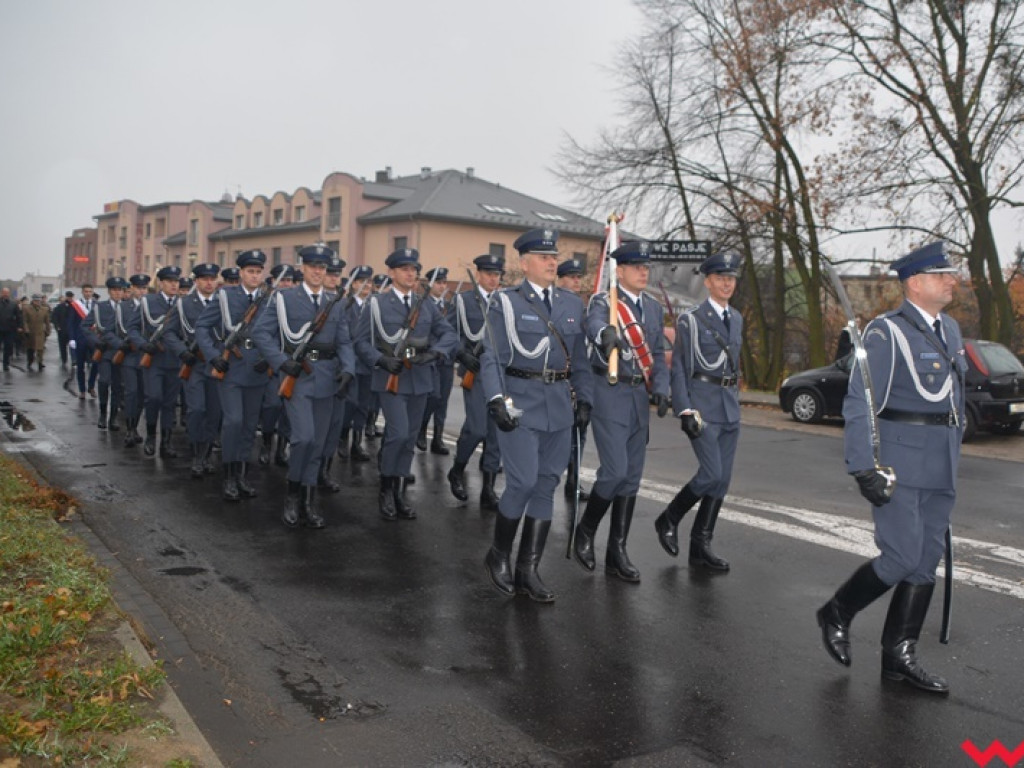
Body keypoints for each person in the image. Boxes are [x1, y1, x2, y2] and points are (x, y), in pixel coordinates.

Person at [816, 242, 964, 695]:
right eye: (942, 275)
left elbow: (952, 399)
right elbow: (861, 398)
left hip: (941, 462)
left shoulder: (951, 330)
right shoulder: (887, 333)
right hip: (899, 462)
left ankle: (899, 654)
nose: (952, 280)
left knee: (925, 560)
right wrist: (864, 467)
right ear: (915, 283)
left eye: (951, 274)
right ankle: (837, 611)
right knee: (900, 556)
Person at [479, 229, 593, 603]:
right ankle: (498, 554)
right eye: (543, 257)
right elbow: (491, 355)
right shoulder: (505, 303)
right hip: (520, 403)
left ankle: (529, 568)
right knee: (523, 482)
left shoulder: (572, 304)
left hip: (559, 405)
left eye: (553, 256)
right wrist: (496, 398)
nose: (551, 262)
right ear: (524, 263)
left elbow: (579, 362)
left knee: (546, 484)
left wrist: (585, 400)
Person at [573, 241, 670, 583]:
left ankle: (618, 551)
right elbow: (594, 323)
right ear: (621, 271)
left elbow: (657, 354)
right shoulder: (606, 302)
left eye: (646, 267)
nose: (644, 271)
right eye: (637, 266)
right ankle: (585, 532)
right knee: (613, 472)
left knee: (631, 478)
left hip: (638, 398)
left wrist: (661, 386)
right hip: (610, 392)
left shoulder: (655, 310)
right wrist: (606, 333)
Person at [252, 245, 356, 528]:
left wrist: (348, 369)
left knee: (319, 444)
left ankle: (308, 502)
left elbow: (344, 341)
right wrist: (282, 362)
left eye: (323, 267)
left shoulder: (335, 301)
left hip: (327, 377)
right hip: (297, 377)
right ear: (303, 269)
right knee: (304, 438)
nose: (318, 271)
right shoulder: (284, 299)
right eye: (313, 266)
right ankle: (292, 493)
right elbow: (260, 332)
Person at [654, 252, 743, 573]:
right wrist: (684, 408)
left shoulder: (737, 319)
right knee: (711, 474)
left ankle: (700, 546)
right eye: (720, 278)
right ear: (707, 281)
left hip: (729, 407)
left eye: (731, 278)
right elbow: (679, 368)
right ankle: (669, 518)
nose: (726, 283)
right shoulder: (691, 320)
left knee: (721, 482)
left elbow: (735, 365)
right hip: (702, 407)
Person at [354, 248, 458, 521]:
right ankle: (386, 489)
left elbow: (448, 333)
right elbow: (361, 341)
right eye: (404, 269)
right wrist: (379, 360)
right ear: (391, 273)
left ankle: (399, 492)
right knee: (398, 434)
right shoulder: (376, 304)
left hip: (419, 378)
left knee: (409, 439)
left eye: (414, 269)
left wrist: (436, 352)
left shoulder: (426, 305)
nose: (410, 274)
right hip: (390, 379)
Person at [196, 251, 269, 502]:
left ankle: (241, 475)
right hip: (231, 369)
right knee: (233, 422)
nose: (254, 275)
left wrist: (269, 359)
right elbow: (202, 327)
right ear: (240, 273)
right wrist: (212, 355)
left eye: (258, 271)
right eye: (250, 271)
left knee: (249, 427)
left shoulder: (269, 298)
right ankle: (227, 476)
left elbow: (280, 332)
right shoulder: (225, 296)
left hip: (258, 370)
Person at [446, 254, 505, 510]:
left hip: (501, 374)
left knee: (497, 432)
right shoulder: (463, 301)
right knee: (477, 428)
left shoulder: (505, 301)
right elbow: (449, 332)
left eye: (497, 274)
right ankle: (457, 469)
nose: (494, 278)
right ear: (479, 274)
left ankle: (488, 488)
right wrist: (462, 353)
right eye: (489, 273)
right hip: (477, 371)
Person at [129, 267, 185, 458]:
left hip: (175, 361)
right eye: (169, 281)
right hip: (153, 360)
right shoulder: (148, 302)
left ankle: (167, 443)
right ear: (160, 283)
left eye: (176, 281)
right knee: (153, 398)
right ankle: (151, 436)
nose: (174, 285)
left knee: (169, 403)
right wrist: (144, 345)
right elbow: (133, 329)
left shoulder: (183, 303)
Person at [178, 264, 221, 479]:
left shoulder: (224, 303)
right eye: (204, 279)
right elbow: (169, 332)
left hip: (215, 366)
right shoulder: (184, 304)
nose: (209, 282)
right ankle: (196, 453)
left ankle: (206, 454)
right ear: (196, 281)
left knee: (214, 412)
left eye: (212, 278)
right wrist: (182, 352)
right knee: (196, 410)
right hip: (194, 365)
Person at [556, 256, 592, 502]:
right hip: (557, 379)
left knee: (579, 432)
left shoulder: (582, 308)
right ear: (559, 280)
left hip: (578, 378)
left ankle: (573, 481)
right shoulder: (554, 306)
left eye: (579, 278)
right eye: (571, 277)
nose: (576, 282)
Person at [257, 264, 295, 467]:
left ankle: (282, 448)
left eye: (289, 280)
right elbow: (258, 334)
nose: (286, 284)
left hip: (292, 365)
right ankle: (266, 442)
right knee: (272, 405)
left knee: (288, 411)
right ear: (273, 282)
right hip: (271, 365)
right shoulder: (265, 303)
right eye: (282, 280)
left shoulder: (296, 304)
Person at [337, 265, 374, 462]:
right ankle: (342, 436)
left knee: (363, 405)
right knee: (350, 403)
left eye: (369, 281)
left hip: (368, 362)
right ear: (353, 284)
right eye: (361, 281)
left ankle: (357, 443)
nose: (366, 285)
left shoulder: (374, 306)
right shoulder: (345, 305)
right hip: (351, 361)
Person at [416, 267, 455, 455]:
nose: (442, 286)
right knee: (432, 397)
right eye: (438, 283)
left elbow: (453, 332)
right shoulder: (423, 304)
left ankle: (437, 439)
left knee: (443, 402)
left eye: (444, 283)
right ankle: (422, 429)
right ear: (429, 284)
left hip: (445, 359)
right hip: (428, 357)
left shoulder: (449, 306)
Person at [83, 278, 127, 430]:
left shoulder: (128, 307)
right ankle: (103, 414)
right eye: (114, 290)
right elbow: (85, 326)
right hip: (106, 351)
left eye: (120, 290)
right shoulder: (100, 307)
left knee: (117, 386)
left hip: (122, 352)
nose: (117, 293)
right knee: (104, 382)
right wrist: (96, 341)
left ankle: (113, 417)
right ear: (109, 291)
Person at [118, 275, 149, 445]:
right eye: (138, 288)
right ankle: (129, 429)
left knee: (142, 395)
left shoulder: (151, 306)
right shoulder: (123, 307)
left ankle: (135, 426)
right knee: (131, 393)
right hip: (130, 356)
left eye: (144, 288)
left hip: (146, 358)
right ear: (132, 289)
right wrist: (141, 341)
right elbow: (124, 329)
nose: (141, 291)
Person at [68, 285, 100, 398]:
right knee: (80, 366)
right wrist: (72, 338)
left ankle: (91, 386)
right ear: (82, 292)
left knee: (96, 364)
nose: (88, 293)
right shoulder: (75, 306)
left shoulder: (97, 305)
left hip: (94, 339)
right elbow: (71, 323)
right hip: (80, 339)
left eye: (90, 291)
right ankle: (82, 390)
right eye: (86, 291)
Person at [22, 294, 52, 371]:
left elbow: (47, 322)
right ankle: (30, 361)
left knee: (40, 349)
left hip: (40, 332)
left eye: (38, 300)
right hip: (30, 332)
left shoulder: (44, 309)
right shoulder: (26, 309)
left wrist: (48, 331)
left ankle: (40, 363)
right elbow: (24, 321)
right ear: (33, 301)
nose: (37, 302)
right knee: (30, 349)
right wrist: (26, 330)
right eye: (36, 300)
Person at [0, 288, 23, 371]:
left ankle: (5, 364)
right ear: (1, 293)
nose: (5, 294)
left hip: (10, 329)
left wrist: (20, 326)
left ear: (9, 294)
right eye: (4, 293)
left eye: (7, 293)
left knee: (8, 347)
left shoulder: (13, 304)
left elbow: (19, 316)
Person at [51, 292, 73, 369]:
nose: (69, 298)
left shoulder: (75, 306)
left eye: (71, 297)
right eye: (68, 297)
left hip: (71, 331)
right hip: (62, 330)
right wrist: (57, 326)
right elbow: (54, 317)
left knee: (73, 346)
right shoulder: (60, 307)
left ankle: (74, 360)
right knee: (62, 346)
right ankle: (64, 360)